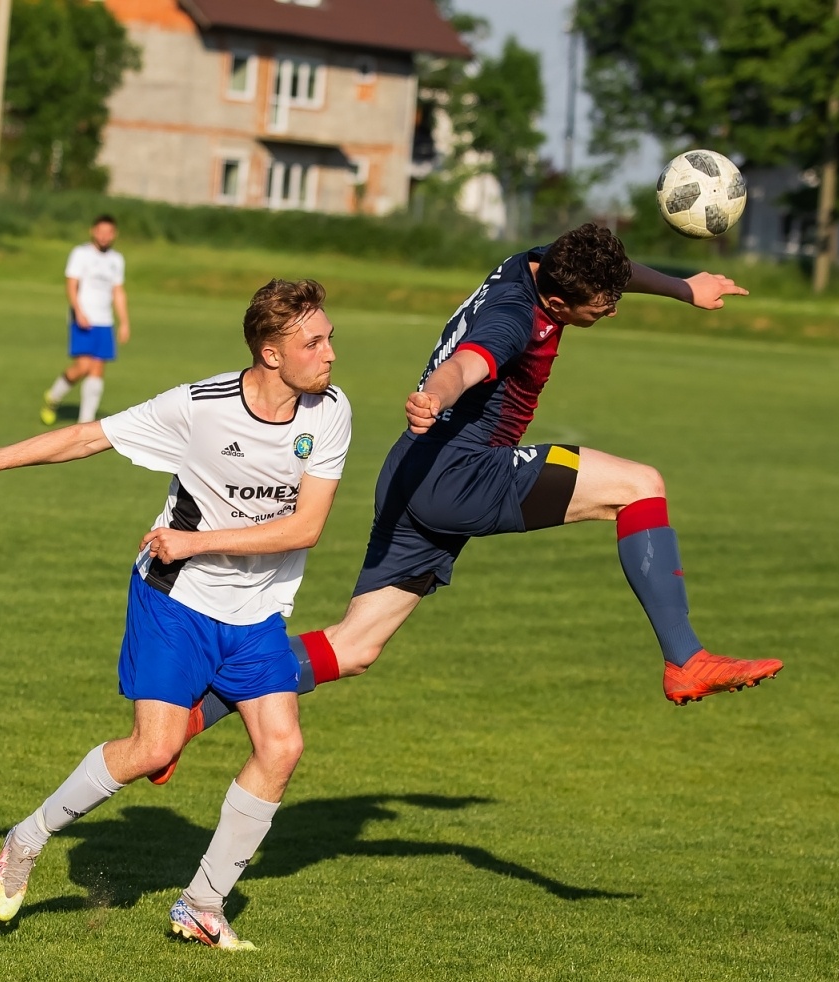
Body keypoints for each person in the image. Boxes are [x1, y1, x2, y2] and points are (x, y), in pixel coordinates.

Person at [164, 224, 783, 772]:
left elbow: (611, 272)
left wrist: (684, 286)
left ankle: (196, 712)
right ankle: (685, 658)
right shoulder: (515, 317)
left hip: (412, 471)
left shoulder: (538, 262)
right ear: (561, 302)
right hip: (465, 473)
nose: (611, 312)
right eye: (601, 308)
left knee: (355, 647)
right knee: (639, 486)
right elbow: (470, 362)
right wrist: (435, 396)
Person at [0, 279, 349, 951]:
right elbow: (87, 437)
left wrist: (197, 538)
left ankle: (201, 906)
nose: (330, 352)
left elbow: (304, 528)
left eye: (330, 337)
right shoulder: (201, 406)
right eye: (314, 341)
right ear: (271, 354)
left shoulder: (329, 412)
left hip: (254, 611)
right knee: (153, 747)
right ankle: (28, 836)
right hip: (175, 599)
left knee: (282, 746)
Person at [40, 215, 130, 425]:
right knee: (83, 366)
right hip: (83, 318)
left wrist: (124, 321)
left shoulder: (117, 260)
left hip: (104, 321)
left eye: (109, 232)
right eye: (101, 231)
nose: (104, 236)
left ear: (114, 234)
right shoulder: (80, 253)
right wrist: (78, 311)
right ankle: (53, 397)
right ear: (93, 231)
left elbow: (118, 292)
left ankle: (86, 422)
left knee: (97, 369)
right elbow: (71, 284)